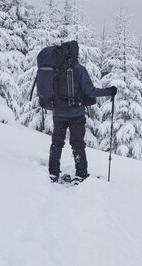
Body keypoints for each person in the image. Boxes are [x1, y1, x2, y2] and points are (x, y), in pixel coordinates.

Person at [48, 40, 117, 184]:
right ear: (75, 53)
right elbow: (90, 91)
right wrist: (109, 91)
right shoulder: (79, 69)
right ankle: (81, 173)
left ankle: (53, 173)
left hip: (58, 113)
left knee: (57, 143)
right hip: (76, 114)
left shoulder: (56, 68)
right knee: (77, 144)